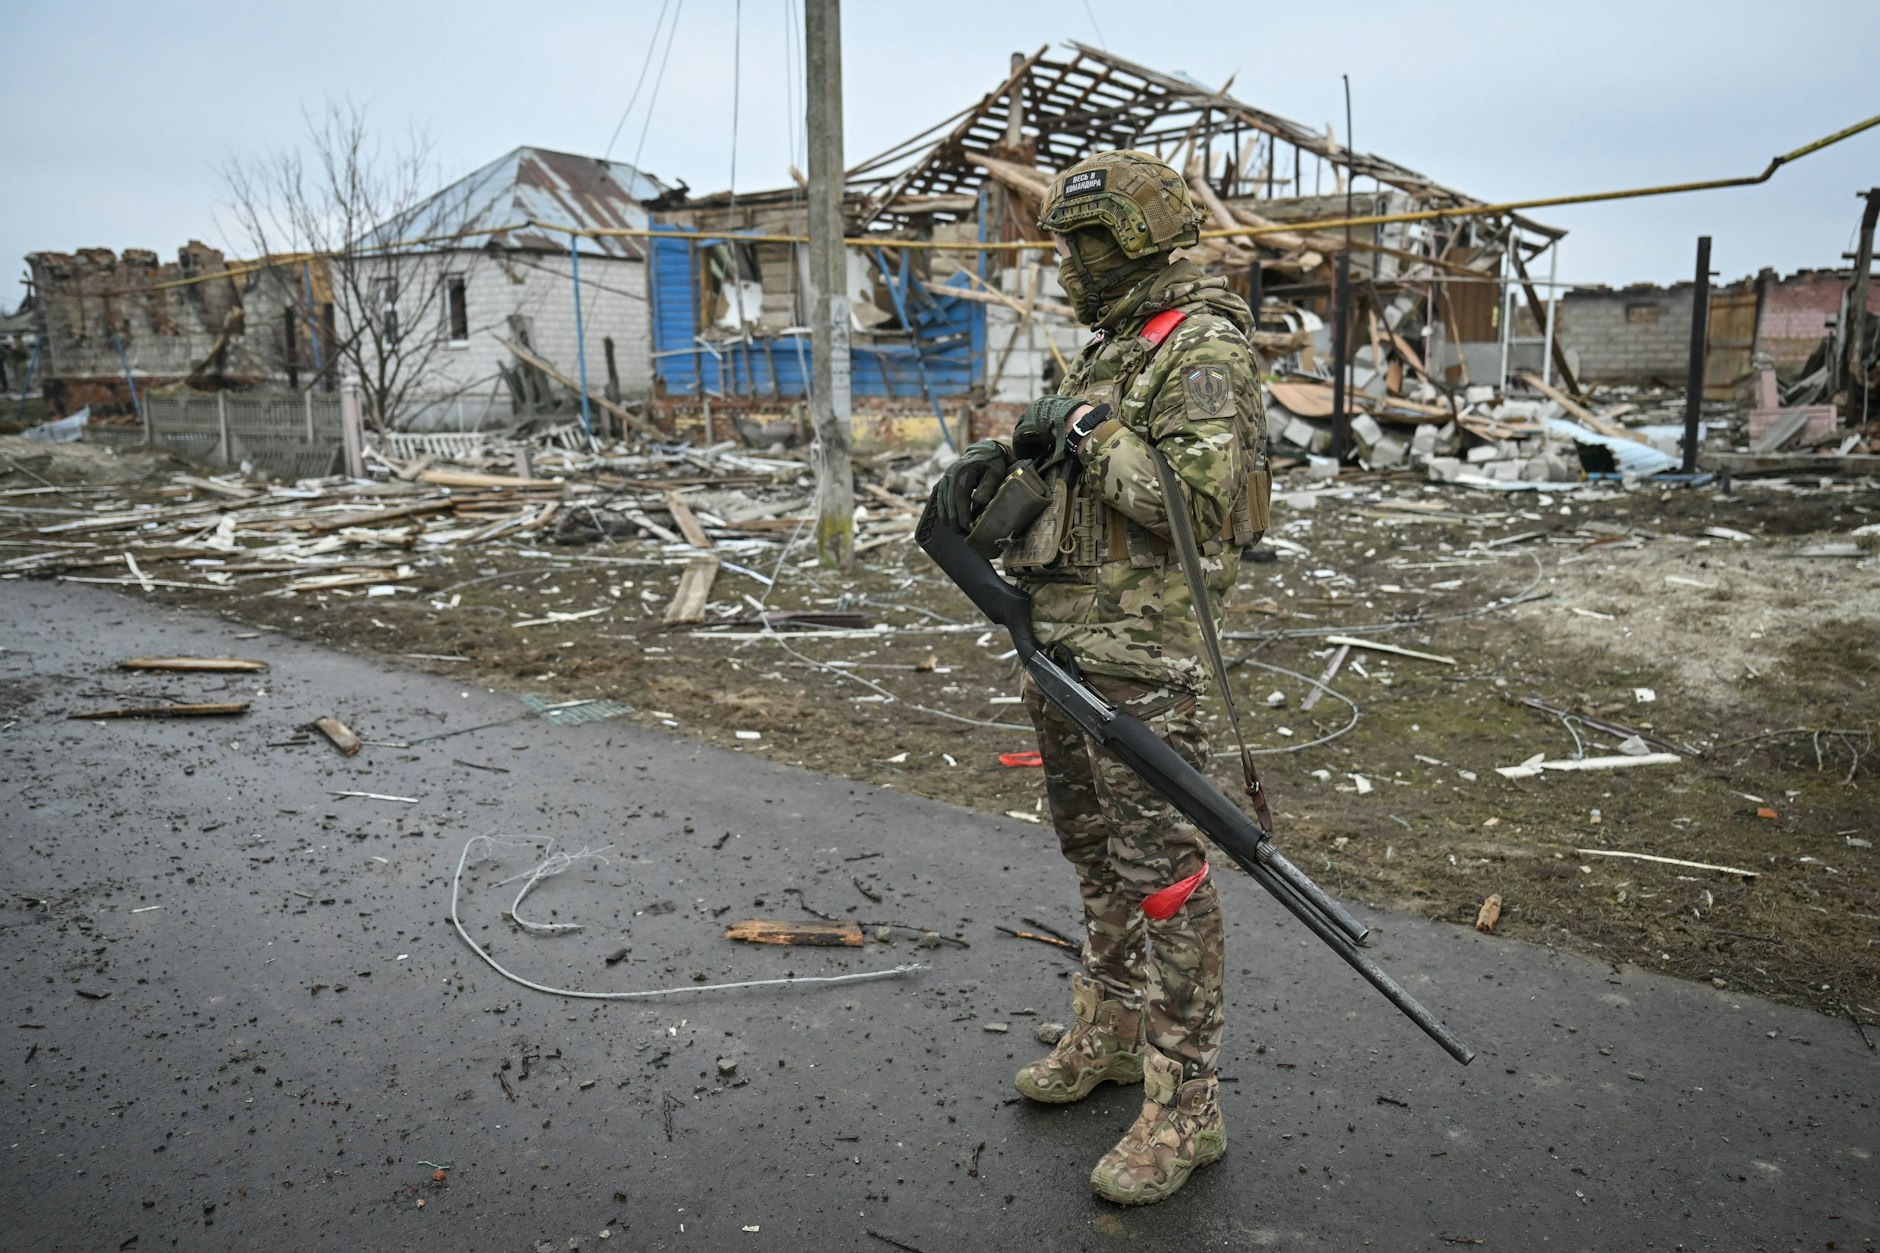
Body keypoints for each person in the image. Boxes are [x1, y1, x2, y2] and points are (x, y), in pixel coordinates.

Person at [934, 149, 1270, 1206]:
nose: (1068, 267)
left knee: (1163, 879)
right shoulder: (1113, 349)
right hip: (1062, 642)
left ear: (1132, 242)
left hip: (1140, 663)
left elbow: (1194, 503)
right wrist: (1000, 469)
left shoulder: (1200, 349)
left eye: (1081, 244)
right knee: (1094, 856)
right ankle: (1113, 1030)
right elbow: (1071, 481)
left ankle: (1186, 1105)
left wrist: (1078, 427)